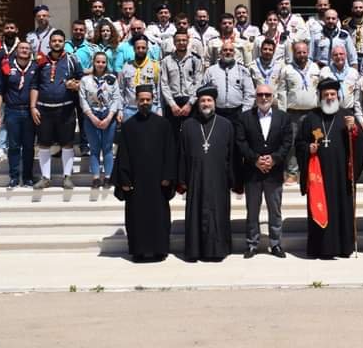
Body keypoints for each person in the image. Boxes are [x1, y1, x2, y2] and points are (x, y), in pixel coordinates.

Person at [296, 78, 363, 258]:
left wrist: (353, 130)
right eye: (325, 94)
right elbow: (299, 143)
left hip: (341, 175)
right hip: (318, 174)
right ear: (320, 96)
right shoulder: (311, 118)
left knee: (342, 209)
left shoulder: (347, 116)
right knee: (320, 207)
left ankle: (343, 248)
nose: (329, 97)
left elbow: (359, 145)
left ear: (338, 95)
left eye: (332, 94)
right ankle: (320, 248)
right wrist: (307, 148)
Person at [112, 84, 176, 262]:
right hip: (136, 183)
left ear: (153, 100)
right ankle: (138, 251)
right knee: (136, 218)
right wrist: (124, 179)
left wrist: (167, 176)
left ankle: (160, 250)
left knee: (159, 217)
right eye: (142, 100)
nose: (145, 102)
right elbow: (123, 155)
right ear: (136, 101)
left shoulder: (163, 125)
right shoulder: (128, 126)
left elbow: (170, 152)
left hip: (158, 183)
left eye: (148, 100)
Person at [177, 85, 235, 262]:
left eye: (209, 100)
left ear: (215, 103)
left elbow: (232, 155)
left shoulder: (226, 125)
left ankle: (218, 251)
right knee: (196, 214)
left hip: (219, 180)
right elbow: (182, 154)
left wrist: (233, 180)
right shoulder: (188, 125)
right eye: (202, 100)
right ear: (198, 103)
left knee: (218, 214)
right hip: (195, 179)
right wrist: (182, 179)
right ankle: (195, 251)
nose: (206, 103)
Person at [236, 85, 293, 258]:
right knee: (252, 210)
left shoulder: (283, 117)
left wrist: (274, 159)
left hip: (274, 173)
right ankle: (252, 244)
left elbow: (287, 141)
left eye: (267, 94)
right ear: (255, 97)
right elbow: (241, 141)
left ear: (273, 96)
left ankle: (275, 244)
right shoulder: (245, 117)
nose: (264, 98)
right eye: (260, 94)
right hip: (252, 173)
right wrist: (255, 159)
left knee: (274, 210)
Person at [30, 30, 84, 190]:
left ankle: (67, 177)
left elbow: (82, 80)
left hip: (66, 110)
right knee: (44, 144)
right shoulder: (40, 62)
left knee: (67, 144)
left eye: (60, 41)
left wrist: (75, 84)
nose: (57, 43)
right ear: (50, 43)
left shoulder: (72, 59)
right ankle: (45, 178)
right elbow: (34, 85)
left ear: (63, 42)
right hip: (44, 110)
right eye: (54, 41)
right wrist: (33, 107)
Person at [0, 41, 37, 188]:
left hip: (29, 112)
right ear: (16, 51)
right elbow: (0, 92)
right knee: (13, 146)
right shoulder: (6, 67)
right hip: (12, 111)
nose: (24, 50)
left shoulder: (36, 67)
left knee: (29, 146)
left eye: (27, 48)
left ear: (31, 51)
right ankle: (13, 177)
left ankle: (28, 177)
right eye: (21, 48)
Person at [276, 41, 321, 185]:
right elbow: (282, 92)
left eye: (304, 52)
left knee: (314, 142)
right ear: (293, 53)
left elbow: (320, 90)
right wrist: (282, 114)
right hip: (292, 113)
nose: (302, 55)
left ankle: (312, 171)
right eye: (298, 52)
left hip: (313, 113)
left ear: (308, 52)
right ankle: (292, 173)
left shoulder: (315, 68)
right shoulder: (286, 70)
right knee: (292, 144)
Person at [80, 52, 121, 189]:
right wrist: (92, 117)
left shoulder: (112, 79)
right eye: (98, 62)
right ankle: (96, 177)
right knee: (95, 148)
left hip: (108, 114)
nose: (100, 64)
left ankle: (108, 177)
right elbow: (83, 100)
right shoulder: (86, 80)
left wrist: (109, 117)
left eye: (103, 62)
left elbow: (116, 99)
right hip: (92, 115)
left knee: (107, 148)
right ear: (93, 62)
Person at [160, 29, 203, 141]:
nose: (181, 42)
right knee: (173, 137)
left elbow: (198, 83)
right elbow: (164, 84)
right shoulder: (166, 61)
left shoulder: (195, 60)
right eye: (178, 40)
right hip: (173, 104)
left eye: (184, 40)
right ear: (174, 42)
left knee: (190, 137)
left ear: (188, 41)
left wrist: (190, 104)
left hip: (190, 103)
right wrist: (172, 104)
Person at [0, 19, 23, 162]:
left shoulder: (22, 46)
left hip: (18, 87)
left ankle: (16, 145)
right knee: (3, 118)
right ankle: (2, 147)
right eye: (7, 28)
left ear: (17, 30)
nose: (9, 30)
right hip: (2, 87)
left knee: (17, 119)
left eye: (12, 27)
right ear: (4, 30)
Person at [202, 40, 255, 123]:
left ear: (234, 53)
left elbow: (250, 94)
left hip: (238, 113)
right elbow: (204, 92)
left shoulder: (242, 70)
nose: (228, 52)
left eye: (231, 50)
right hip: (217, 113)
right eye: (225, 50)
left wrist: (244, 112)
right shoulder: (210, 71)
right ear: (220, 53)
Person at [65, 20, 96, 156]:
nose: (78, 32)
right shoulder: (65, 45)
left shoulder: (91, 48)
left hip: (83, 86)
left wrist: (82, 74)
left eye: (81, 30)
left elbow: (98, 65)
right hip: (66, 87)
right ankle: (66, 144)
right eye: (76, 29)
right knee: (66, 118)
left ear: (85, 31)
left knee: (84, 117)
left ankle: (84, 145)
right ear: (72, 30)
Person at [118, 35, 162, 122]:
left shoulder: (155, 66)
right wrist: (120, 109)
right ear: (134, 49)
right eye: (138, 48)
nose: (140, 50)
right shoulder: (126, 66)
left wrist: (159, 108)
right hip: (130, 109)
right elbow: (120, 90)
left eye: (143, 48)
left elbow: (159, 89)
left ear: (147, 48)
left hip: (151, 108)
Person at [319, 45, 360, 110]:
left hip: (349, 110)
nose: (338, 56)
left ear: (346, 56)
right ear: (331, 57)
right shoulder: (325, 71)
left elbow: (357, 96)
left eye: (341, 54)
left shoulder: (353, 73)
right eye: (335, 55)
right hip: (330, 110)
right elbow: (319, 92)